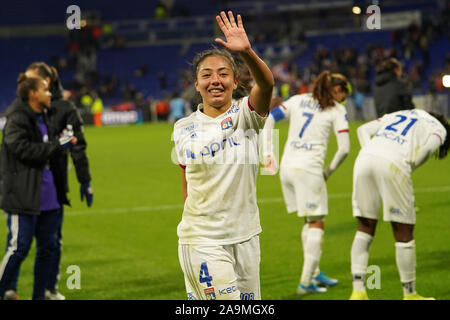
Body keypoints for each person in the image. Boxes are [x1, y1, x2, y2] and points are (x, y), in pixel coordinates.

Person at [172, 11, 274, 300]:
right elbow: (186, 185)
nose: (215, 80)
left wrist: (247, 53)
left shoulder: (247, 115)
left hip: (246, 237)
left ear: (234, 81)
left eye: (223, 74)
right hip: (203, 239)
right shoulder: (183, 128)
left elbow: (266, 85)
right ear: (196, 84)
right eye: (206, 75)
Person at [4, 62, 93, 300]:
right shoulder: (20, 113)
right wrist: (57, 145)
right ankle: (8, 287)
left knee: (50, 244)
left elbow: (77, 145)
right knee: (18, 245)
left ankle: (46, 290)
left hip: (52, 187)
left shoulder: (57, 110)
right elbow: (21, 149)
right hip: (25, 189)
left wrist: (85, 179)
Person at [263, 71, 350, 295]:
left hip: (288, 168)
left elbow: (270, 117)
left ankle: (315, 271)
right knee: (317, 223)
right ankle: (305, 283)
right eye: (344, 95)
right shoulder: (337, 110)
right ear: (338, 91)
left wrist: (268, 153)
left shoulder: (298, 99)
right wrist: (328, 172)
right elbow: (345, 149)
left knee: (308, 220)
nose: (343, 100)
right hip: (309, 171)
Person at [349, 109, 449, 300]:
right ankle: (410, 295)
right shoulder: (438, 128)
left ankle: (358, 292)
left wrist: (369, 151)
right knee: (403, 233)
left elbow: (362, 129)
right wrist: (411, 165)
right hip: (395, 164)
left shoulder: (399, 113)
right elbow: (428, 148)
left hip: (364, 159)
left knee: (364, 228)